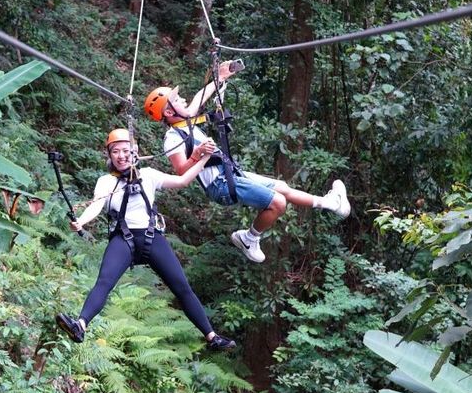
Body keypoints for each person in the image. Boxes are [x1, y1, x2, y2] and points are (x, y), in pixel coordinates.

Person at [144, 60, 350, 264]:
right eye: (177, 99)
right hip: (220, 184)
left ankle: (330, 203)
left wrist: (222, 76)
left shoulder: (186, 122)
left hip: (229, 174)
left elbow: (200, 97)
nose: (182, 99)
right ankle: (249, 238)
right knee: (278, 202)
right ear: (169, 112)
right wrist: (198, 154)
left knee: (282, 187)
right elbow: (181, 172)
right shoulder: (173, 137)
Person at [55, 128, 236, 351]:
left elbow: (182, 181)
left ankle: (212, 337)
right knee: (104, 282)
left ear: (135, 152)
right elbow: (96, 204)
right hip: (124, 239)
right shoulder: (106, 182)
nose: (121, 156)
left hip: (152, 237)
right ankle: (80, 325)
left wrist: (205, 156)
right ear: (109, 156)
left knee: (181, 287)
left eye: (125, 150)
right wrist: (81, 221)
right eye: (115, 152)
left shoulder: (148, 174)